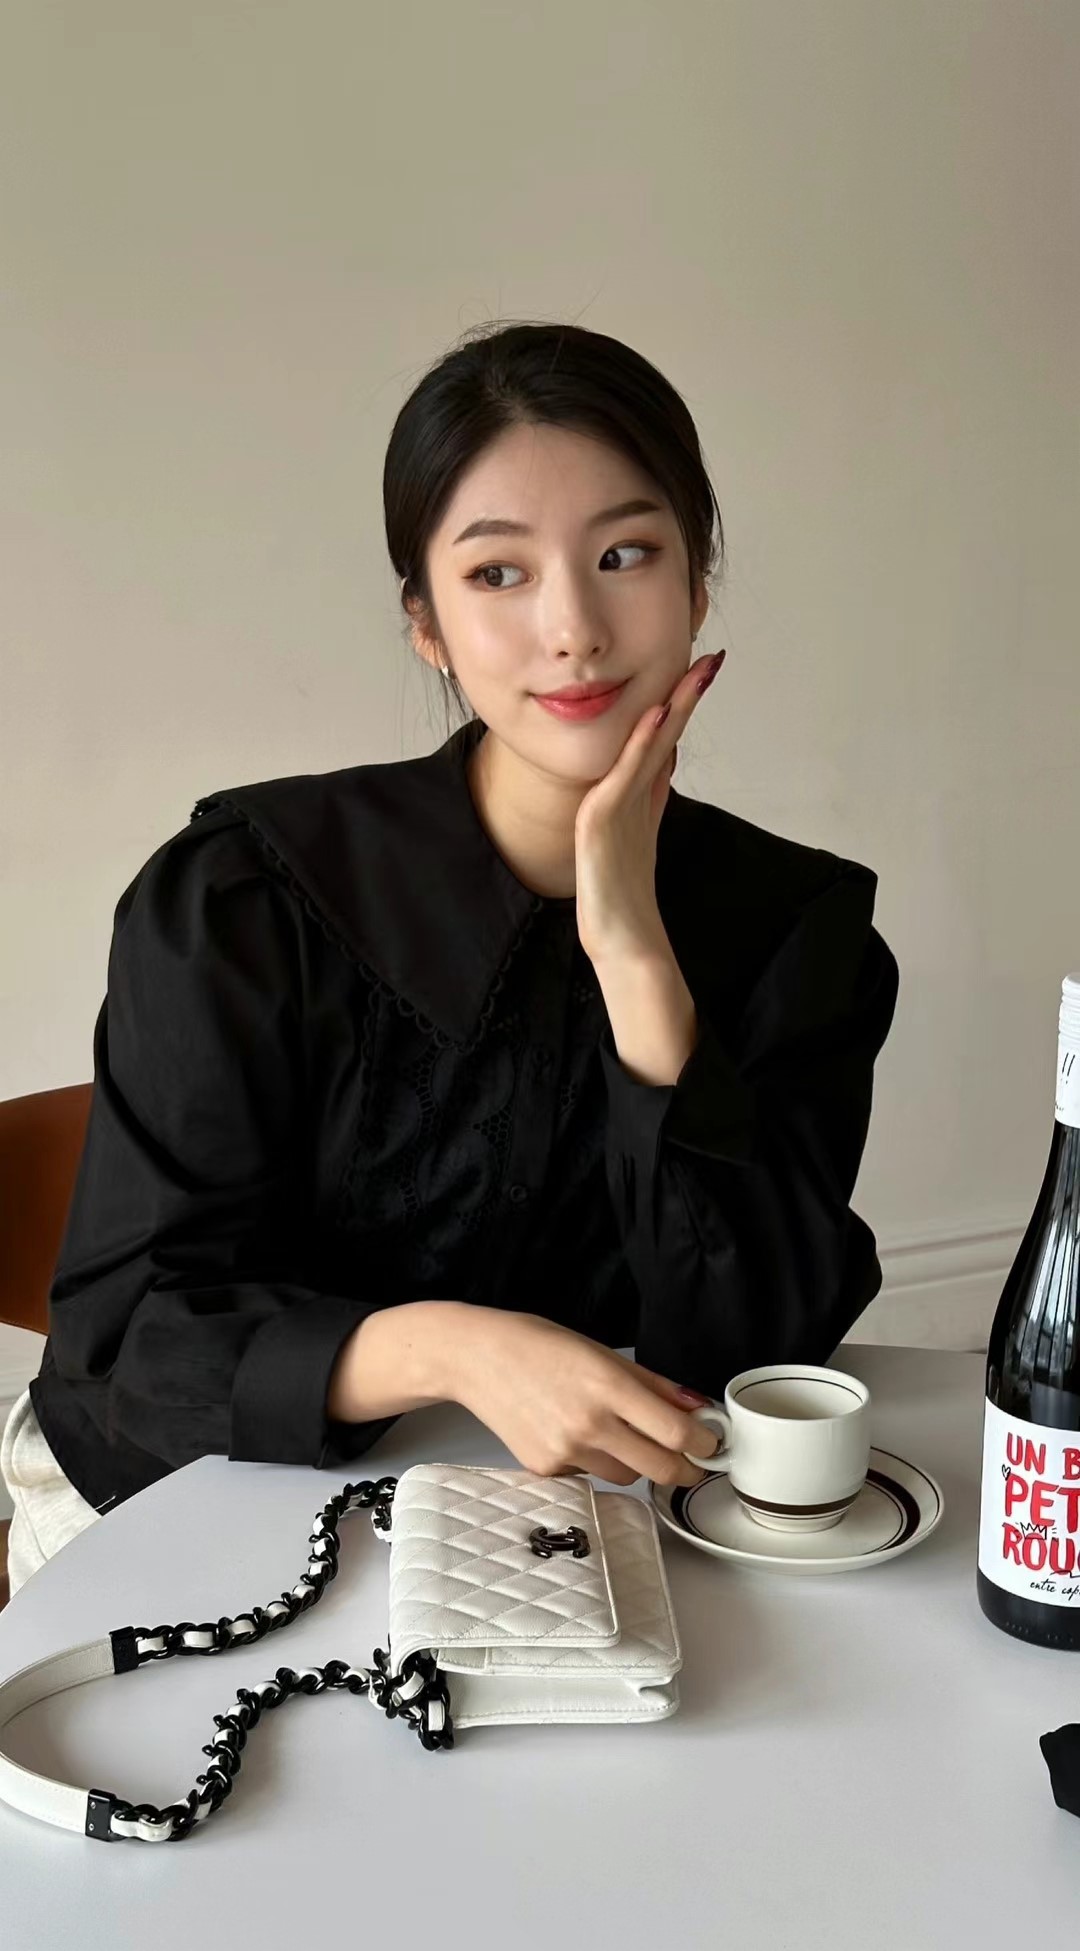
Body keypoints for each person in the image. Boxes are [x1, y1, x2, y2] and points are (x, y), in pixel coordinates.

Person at [1, 320, 900, 1600]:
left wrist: (635, 960)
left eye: (625, 554)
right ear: (425, 621)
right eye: (498, 574)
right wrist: (452, 1350)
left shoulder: (798, 928)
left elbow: (762, 1352)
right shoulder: (243, 898)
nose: (574, 628)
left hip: (573, 1528)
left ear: (697, 585)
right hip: (189, 1492)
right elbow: (131, 1355)